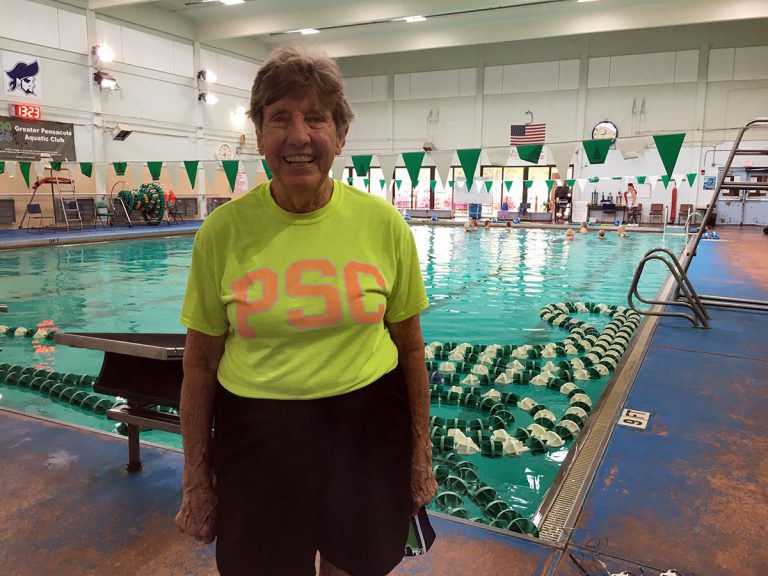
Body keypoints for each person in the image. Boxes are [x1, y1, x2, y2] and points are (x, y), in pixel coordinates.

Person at [175, 44, 437, 576]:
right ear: (259, 135)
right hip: (258, 439)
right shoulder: (221, 233)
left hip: (365, 431)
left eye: (316, 118)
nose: (298, 136)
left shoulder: (384, 225)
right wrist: (196, 480)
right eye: (280, 118)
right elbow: (199, 366)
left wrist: (420, 456)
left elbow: (410, 349)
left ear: (340, 135)